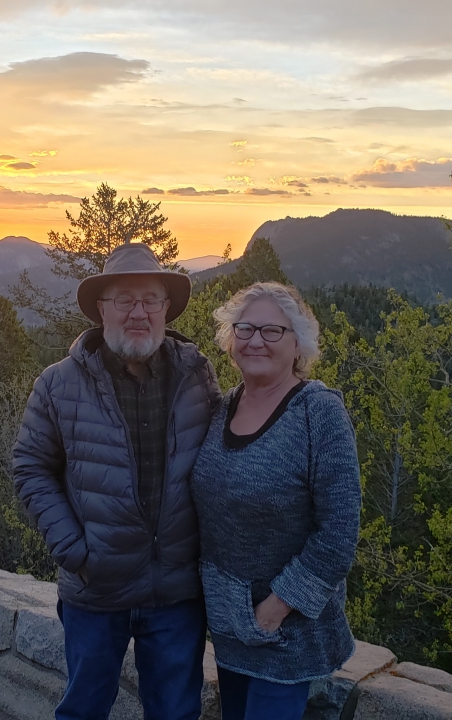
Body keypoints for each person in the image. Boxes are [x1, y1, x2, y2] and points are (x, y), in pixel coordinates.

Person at [13, 243, 220, 720]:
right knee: (84, 709)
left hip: (176, 594)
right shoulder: (57, 383)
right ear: (101, 309)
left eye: (150, 299)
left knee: (174, 713)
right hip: (96, 589)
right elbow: (30, 467)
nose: (138, 313)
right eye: (124, 300)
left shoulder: (196, 376)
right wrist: (74, 550)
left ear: (166, 309)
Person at [190, 282, 361, 720]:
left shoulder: (318, 412)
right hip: (230, 629)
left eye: (272, 331)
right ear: (230, 340)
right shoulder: (222, 408)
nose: (255, 341)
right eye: (244, 329)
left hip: (287, 634)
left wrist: (276, 608)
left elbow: (339, 531)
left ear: (298, 343)